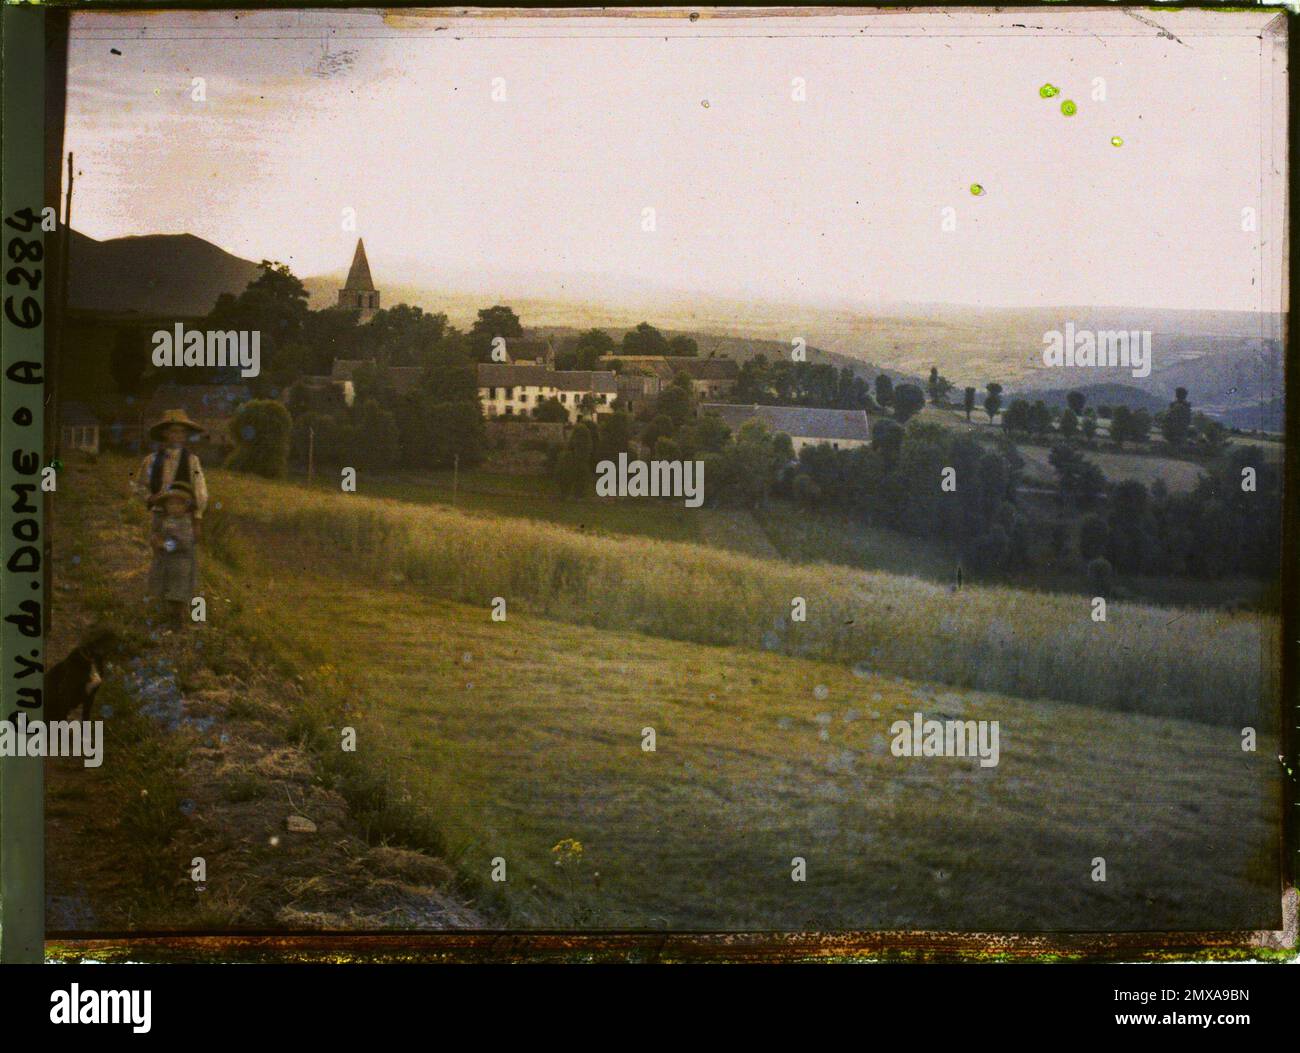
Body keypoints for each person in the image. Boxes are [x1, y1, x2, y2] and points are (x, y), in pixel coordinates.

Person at [133, 408, 209, 540]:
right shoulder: (151, 460)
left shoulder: (192, 461)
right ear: (165, 433)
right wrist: (149, 497)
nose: (178, 435)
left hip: (183, 517)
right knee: (161, 552)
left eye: (182, 432)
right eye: (174, 431)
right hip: (159, 515)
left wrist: (197, 519)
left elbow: (200, 489)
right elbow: (139, 485)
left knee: (183, 555)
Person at [148, 481, 199, 629]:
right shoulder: (167, 520)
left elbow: (184, 543)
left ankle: (177, 620)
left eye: (179, 504)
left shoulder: (185, 523)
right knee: (166, 588)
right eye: (171, 504)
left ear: (186, 507)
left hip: (181, 563)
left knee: (178, 591)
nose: (175, 508)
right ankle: (167, 616)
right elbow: (158, 534)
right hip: (167, 562)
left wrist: (164, 545)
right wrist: (155, 539)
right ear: (165, 506)